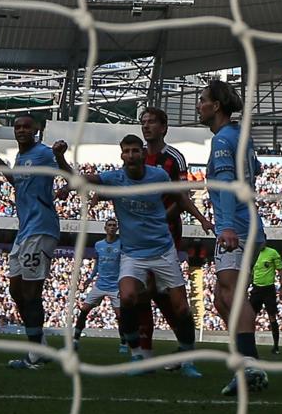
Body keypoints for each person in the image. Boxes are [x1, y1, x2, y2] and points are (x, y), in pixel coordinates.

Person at [82, 134, 212, 378]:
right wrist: (61, 167)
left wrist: (202, 218)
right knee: (128, 296)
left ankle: (188, 359)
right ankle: (136, 355)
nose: (131, 155)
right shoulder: (114, 178)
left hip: (163, 250)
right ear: (122, 155)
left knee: (182, 308)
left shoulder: (159, 175)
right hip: (133, 253)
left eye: (135, 151)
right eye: (126, 151)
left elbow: (180, 196)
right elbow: (84, 179)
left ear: (142, 153)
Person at [199, 80, 266, 396]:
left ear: (216, 106)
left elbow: (226, 185)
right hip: (250, 225)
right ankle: (247, 361)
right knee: (221, 298)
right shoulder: (241, 137)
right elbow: (257, 168)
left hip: (235, 227)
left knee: (232, 293)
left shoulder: (223, 141)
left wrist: (225, 227)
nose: (199, 106)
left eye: (203, 101)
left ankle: (249, 366)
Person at [0, 114, 66, 371]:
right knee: (16, 291)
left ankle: (33, 355)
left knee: (31, 293)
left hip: (42, 228)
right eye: (17, 126)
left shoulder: (43, 153)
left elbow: (69, 175)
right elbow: (20, 183)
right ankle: (39, 345)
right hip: (25, 231)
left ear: (37, 130)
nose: (21, 130)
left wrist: (61, 156)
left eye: (26, 127)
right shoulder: (21, 158)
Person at [132, 105, 191, 357]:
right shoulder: (136, 156)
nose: (146, 125)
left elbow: (183, 198)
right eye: (143, 121)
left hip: (166, 233)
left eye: (152, 121)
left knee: (162, 290)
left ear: (164, 127)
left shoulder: (174, 158)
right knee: (143, 289)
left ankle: (185, 346)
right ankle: (145, 350)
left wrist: (158, 220)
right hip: (138, 235)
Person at [70, 218, 123, 348]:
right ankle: (76, 340)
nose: (111, 227)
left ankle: (123, 342)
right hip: (100, 284)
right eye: (109, 225)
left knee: (120, 316)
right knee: (84, 310)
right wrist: (90, 278)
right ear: (105, 228)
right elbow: (97, 264)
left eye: (114, 225)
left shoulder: (122, 244)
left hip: (115, 286)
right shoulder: (99, 245)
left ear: (117, 229)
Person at [249, 242, 282, 356]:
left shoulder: (272, 253)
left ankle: (276, 346)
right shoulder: (252, 254)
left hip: (269, 289)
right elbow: (250, 272)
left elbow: (280, 271)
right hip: (256, 289)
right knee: (250, 318)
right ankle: (249, 345)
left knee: (272, 317)